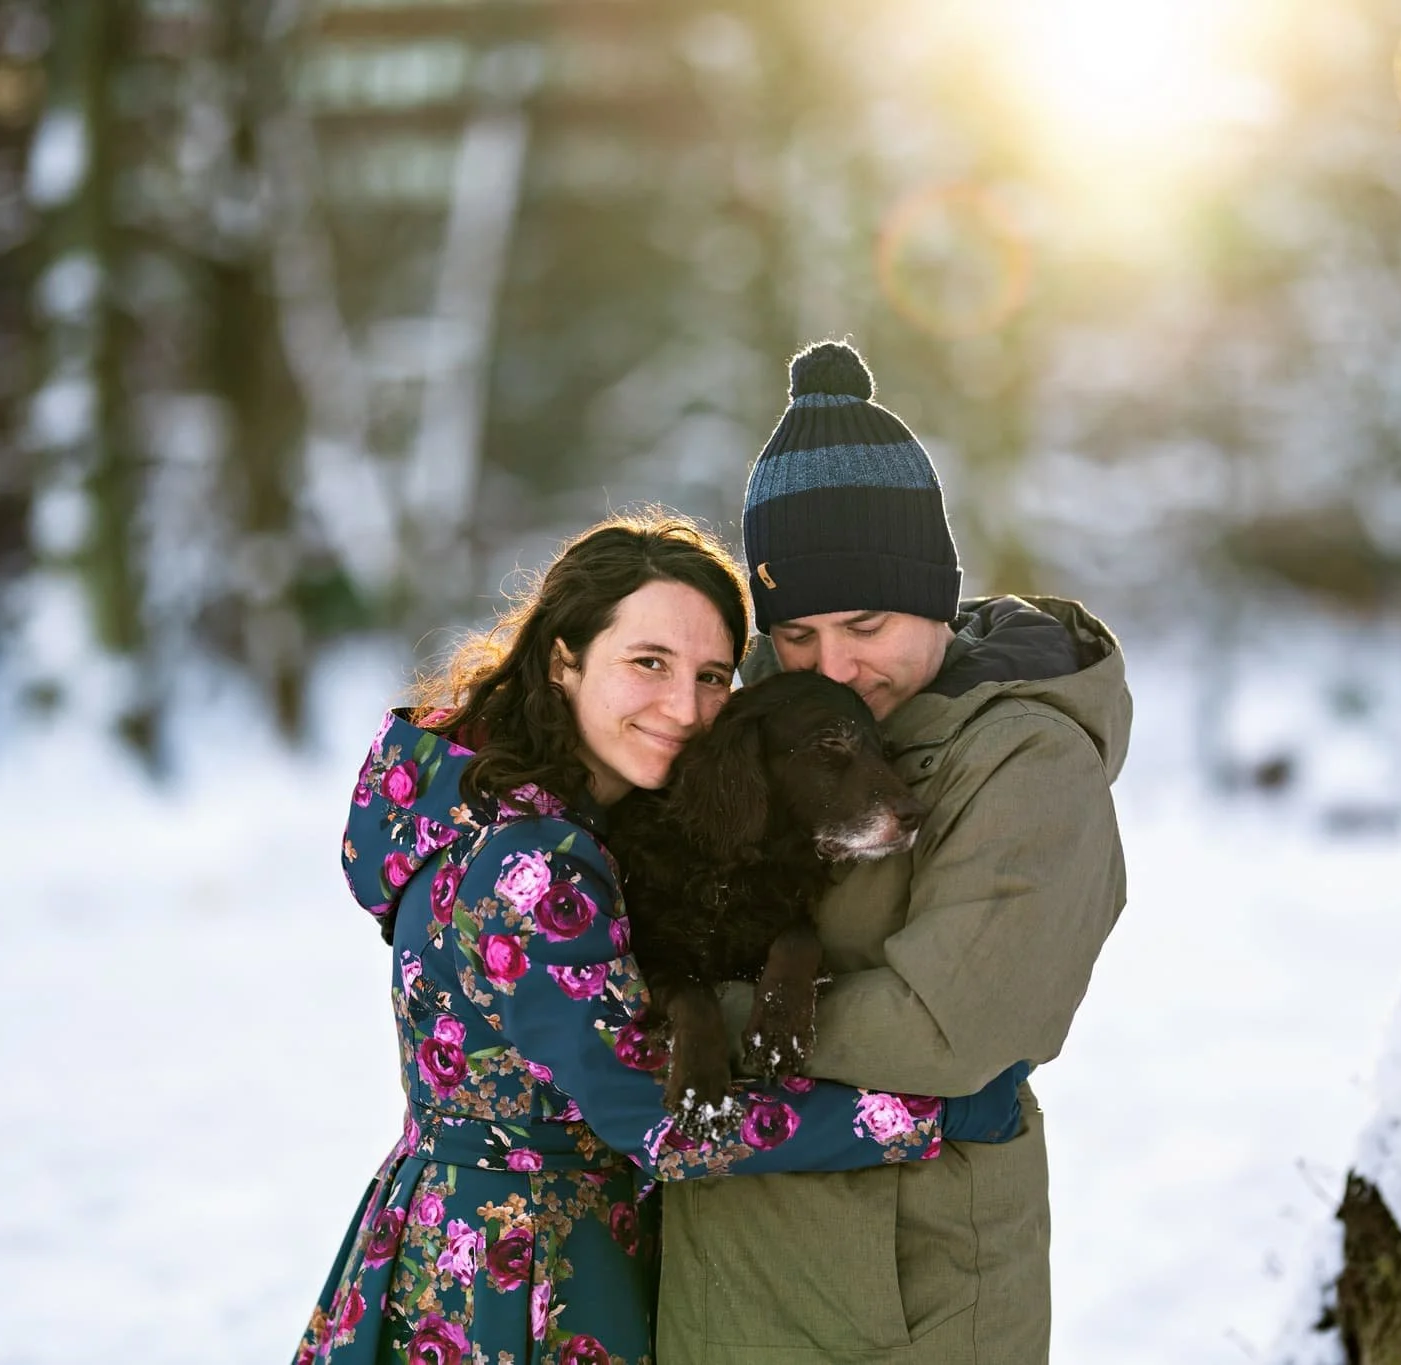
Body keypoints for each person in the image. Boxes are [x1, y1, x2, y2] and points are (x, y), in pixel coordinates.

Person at [295, 514, 1027, 1365]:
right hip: (532, 1277)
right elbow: (665, 1119)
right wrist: (931, 1114)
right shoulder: (539, 868)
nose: (685, 708)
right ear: (565, 657)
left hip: (436, 1235)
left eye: (713, 675)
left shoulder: (474, 794)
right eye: (649, 663)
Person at [655, 345, 1133, 1364]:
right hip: (728, 1273)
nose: (834, 667)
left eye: (865, 624)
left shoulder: (1024, 759)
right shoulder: (770, 733)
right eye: (793, 637)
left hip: (901, 1289)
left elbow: (944, 1030)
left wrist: (683, 1024)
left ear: (932, 595)